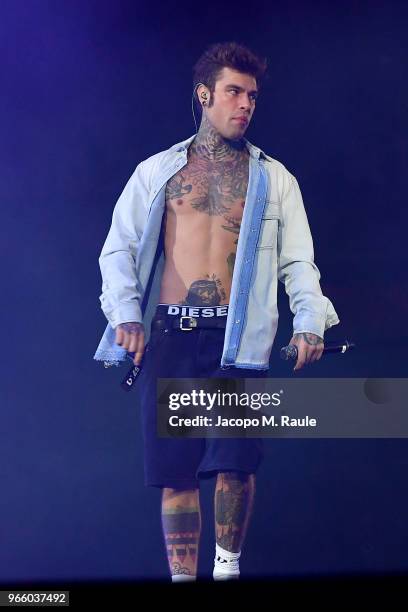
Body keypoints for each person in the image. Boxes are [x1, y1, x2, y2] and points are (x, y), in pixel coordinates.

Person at [93, 41, 340, 582]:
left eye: (252, 95)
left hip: (237, 338)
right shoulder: (157, 172)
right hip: (170, 335)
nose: (245, 104)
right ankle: (184, 580)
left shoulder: (275, 180)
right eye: (233, 91)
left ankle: (227, 574)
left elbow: (300, 261)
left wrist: (308, 322)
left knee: (234, 462)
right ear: (204, 95)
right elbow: (118, 248)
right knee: (175, 472)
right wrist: (126, 314)